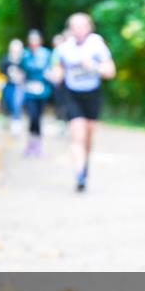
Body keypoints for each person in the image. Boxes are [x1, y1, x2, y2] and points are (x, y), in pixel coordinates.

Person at [47, 13, 116, 192]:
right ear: (70, 29)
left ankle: (85, 165)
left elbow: (110, 71)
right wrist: (56, 75)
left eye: (82, 26)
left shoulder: (97, 44)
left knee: (88, 135)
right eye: (74, 27)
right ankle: (79, 174)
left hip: (92, 94)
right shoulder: (63, 48)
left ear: (89, 27)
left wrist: (94, 67)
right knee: (77, 135)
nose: (78, 30)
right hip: (72, 95)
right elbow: (58, 70)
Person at [21, 29, 53, 157]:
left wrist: (49, 75)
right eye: (31, 40)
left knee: (38, 117)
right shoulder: (24, 54)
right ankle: (31, 142)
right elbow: (21, 71)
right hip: (29, 91)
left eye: (36, 39)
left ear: (40, 41)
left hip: (42, 90)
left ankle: (38, 144)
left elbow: (51, 69)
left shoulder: (46, 54)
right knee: (32, 115)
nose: (34, 42)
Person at [0, 38, 26, 135]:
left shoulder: (24, 58)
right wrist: (9, 74)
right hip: (9, 84)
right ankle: (10, 121)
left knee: (17, 104)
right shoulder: (6, 58)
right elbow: (1, 70)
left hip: (20, 85)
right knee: (8, 102)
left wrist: (21, 76)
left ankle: (16, 123)